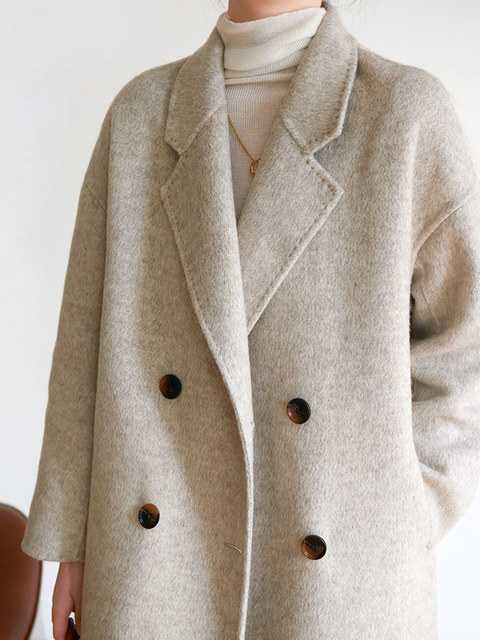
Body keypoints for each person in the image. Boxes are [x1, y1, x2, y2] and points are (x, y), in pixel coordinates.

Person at [21, 0, 480, 638]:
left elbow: (466, 349)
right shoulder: (140, 116)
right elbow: (82, 344)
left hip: (338, 575)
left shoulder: (405, 114)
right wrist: (73, 538)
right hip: (153, 563)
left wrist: (397, 513)